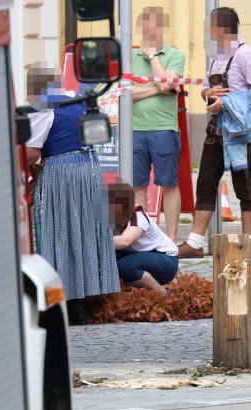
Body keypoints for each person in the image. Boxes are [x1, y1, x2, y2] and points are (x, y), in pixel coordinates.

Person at [25, 64, 119, 325]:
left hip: (63, 171)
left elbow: (32, 151)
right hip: (90, 168)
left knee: (61, 232)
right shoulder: (79, 100)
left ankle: (67, 304)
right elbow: (98, 135)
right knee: (86, 232)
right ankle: (85, 302)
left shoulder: (45, 106)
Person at [178, 6, 251, 258]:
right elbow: (205, 88)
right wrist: (208, 94)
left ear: (221, 28)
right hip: (215, 129)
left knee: (244, 186)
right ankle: (195, 243)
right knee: (205, 183)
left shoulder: (246, 54)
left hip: (239, 132)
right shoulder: (215, 54)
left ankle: (249, 244)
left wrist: (227, 102)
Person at [132, 6, 186, 241]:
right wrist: (159, 89)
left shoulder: (176, 55)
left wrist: (153, 57)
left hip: (164, 129)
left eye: (155, 25)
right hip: (134, 128)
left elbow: (167, 83)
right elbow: (127, 93)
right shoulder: (129, 56)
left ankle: (171, 240)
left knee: (169, 183)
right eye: (147, 25)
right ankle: (144, 237)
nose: (151, 29)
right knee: (138, 186)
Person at [107, 180, 179, 295]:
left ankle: (161, 292)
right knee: (109, 258)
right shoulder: (111, 217)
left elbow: (124, 241)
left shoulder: (138, 216)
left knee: (125, 266)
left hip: (166, 260)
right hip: (143, 255)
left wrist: (96, 241)